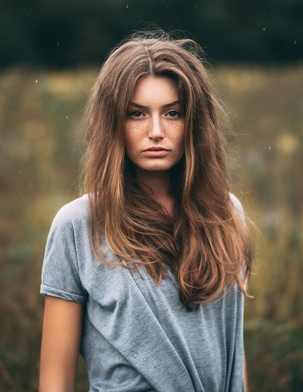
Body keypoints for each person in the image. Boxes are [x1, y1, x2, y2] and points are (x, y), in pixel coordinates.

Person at [38, 31, 253, 392]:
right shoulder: (77, 225)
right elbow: (55, 381)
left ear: (195, 122)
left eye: (173, 113)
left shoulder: (226, 213)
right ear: (113, 124)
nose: (156, 131)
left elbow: (232, 351)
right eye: (136, 114)